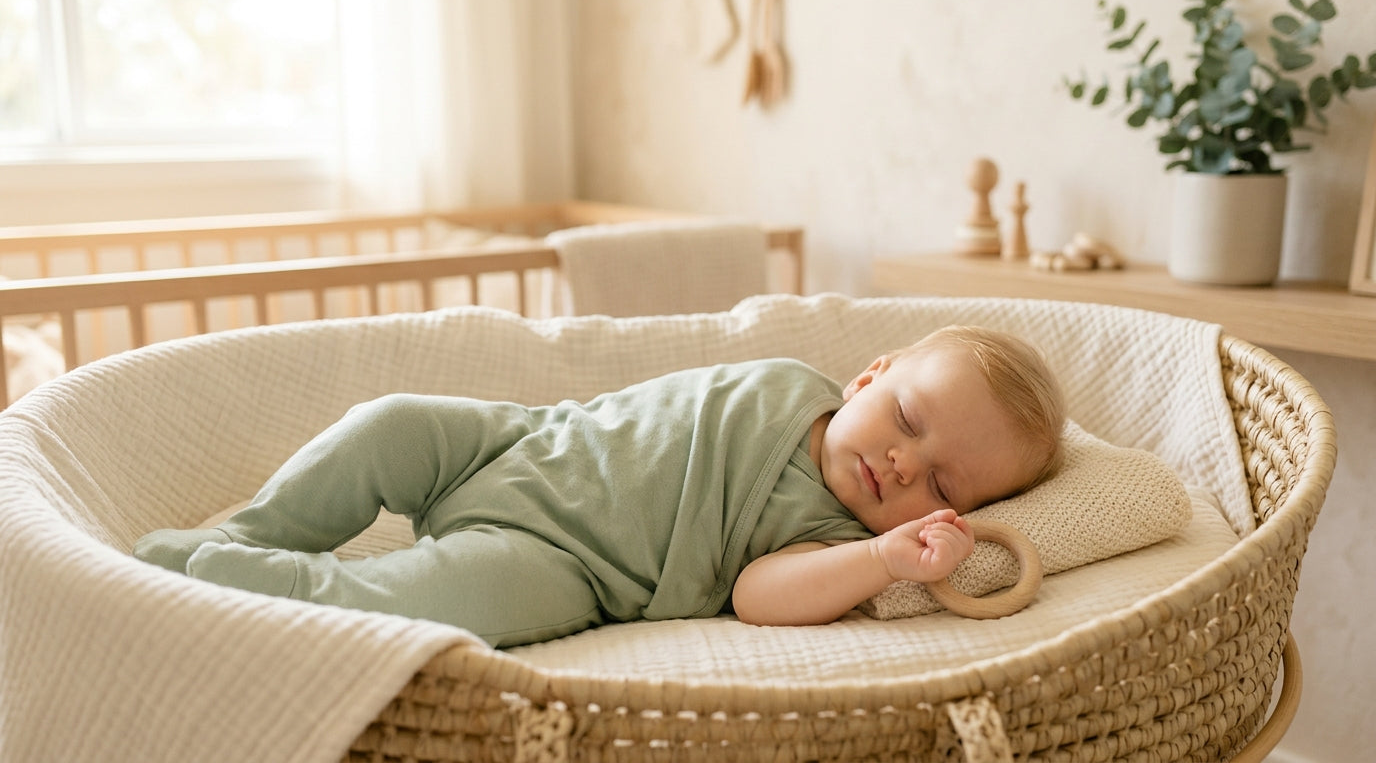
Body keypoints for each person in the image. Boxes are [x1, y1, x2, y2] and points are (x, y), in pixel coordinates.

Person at [134, 325, 1065, 647]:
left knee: (457, 597)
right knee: (389, 423)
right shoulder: (795, 382)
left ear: (954, 515)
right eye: (906, 419)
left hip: (568, 563)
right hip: (519, 442)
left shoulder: (827, 537)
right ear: (868, 376)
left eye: (938, 479)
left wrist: (881, 559)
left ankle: (268, 585)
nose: (903, 462)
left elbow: (755, 596)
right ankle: (264, 535)